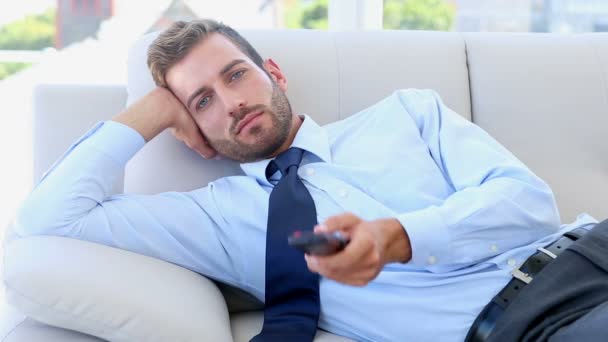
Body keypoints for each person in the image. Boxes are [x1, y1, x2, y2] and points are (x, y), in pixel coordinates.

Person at [12, 19, 606, 342]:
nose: (232, 103)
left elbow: (528, 203)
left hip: (586, 252)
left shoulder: (408, 114)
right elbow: (48, 219)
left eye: (237, 75)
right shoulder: (217, 216)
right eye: (202, 100)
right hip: (532, 326)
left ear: (274, 72)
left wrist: (396, 237)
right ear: (189, 125)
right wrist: (151, 112)